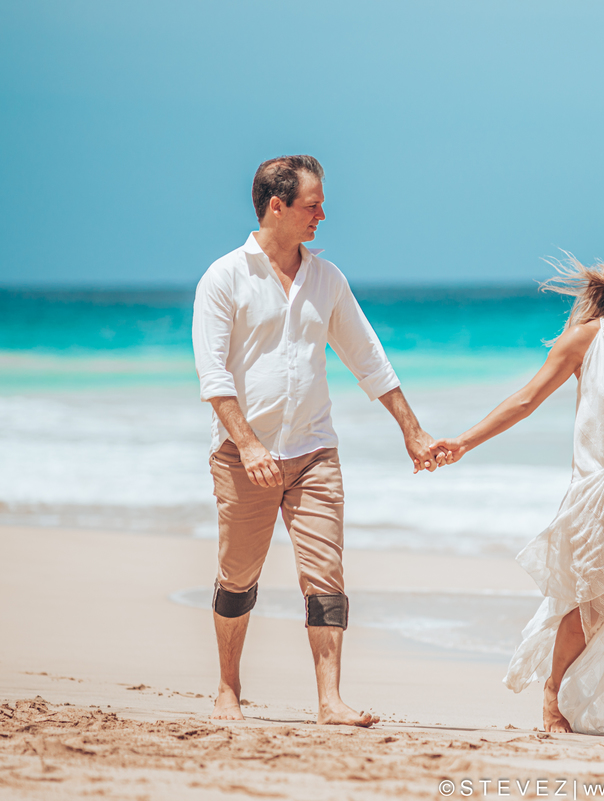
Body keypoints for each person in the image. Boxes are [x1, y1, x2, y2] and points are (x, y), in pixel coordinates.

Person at [192, 155, 445, 726]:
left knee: (325, 575)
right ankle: (228, 687)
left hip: (313, 452)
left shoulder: (326, 278)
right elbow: (214, 377)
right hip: (243, 455)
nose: (322, 215)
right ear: (276, 206)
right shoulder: (225, 277)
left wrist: (412, 430)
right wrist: (250, 445)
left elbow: (368, 358)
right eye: (313, 205)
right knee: (238, 575)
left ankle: (330, 700)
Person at [432, 241, 604, 740]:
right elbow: (527, 399)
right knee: (591, 603)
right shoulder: (582, 341)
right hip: (599, 494)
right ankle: (553, 692)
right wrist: (463, 442)